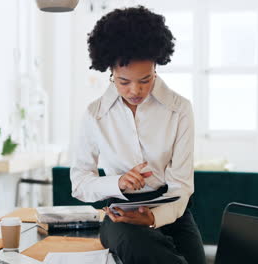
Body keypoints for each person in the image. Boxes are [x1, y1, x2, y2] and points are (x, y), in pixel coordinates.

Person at [70, 6, 206, 264]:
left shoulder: (179, 110)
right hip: (120, 217)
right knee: (139, 246)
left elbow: (183, 185)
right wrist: (117, 183)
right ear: (110, 71)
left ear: (157, 65)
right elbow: (79, 182)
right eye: (124, 81)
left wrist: (154, 218)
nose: (135, 90)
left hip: (173, 214)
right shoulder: (95, 114)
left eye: (145, 79)